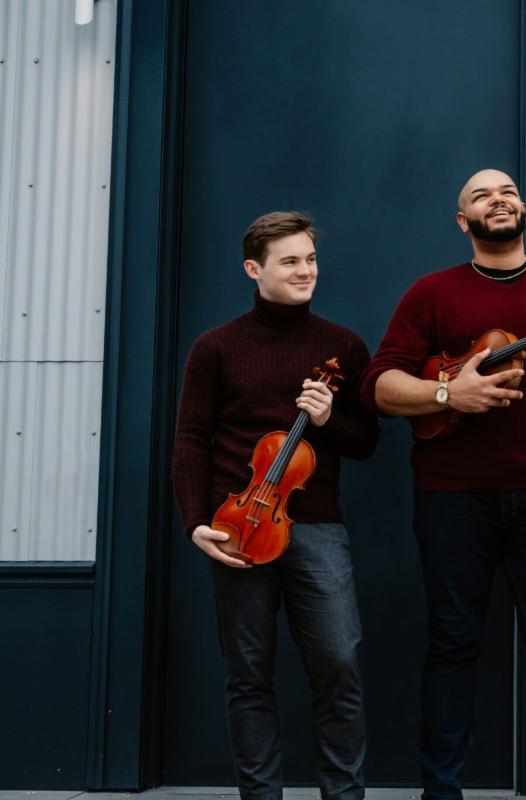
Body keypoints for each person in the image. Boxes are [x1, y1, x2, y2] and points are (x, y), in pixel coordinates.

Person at [360, 169, 526, 800]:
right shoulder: (431, 293)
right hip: (451, 499)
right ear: (464, 222)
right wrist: (449, 393)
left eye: (506, 191)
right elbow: (379, 385)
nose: (497, 199)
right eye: (481, 195)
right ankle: (441, 793)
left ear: (522, 207)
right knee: (452, 645)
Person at [172, 210, 380, 800]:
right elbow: (190, 440)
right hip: (238, 528)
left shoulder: (343, 345)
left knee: (339, 664)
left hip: (316, 527)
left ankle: (344, 795)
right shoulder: (216, 347)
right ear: (253, 269)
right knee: (248, 675)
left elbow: (367, 442)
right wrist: (195, 523)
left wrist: (329, 419)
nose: (305, 270)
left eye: (310, 259)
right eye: (289, 261)